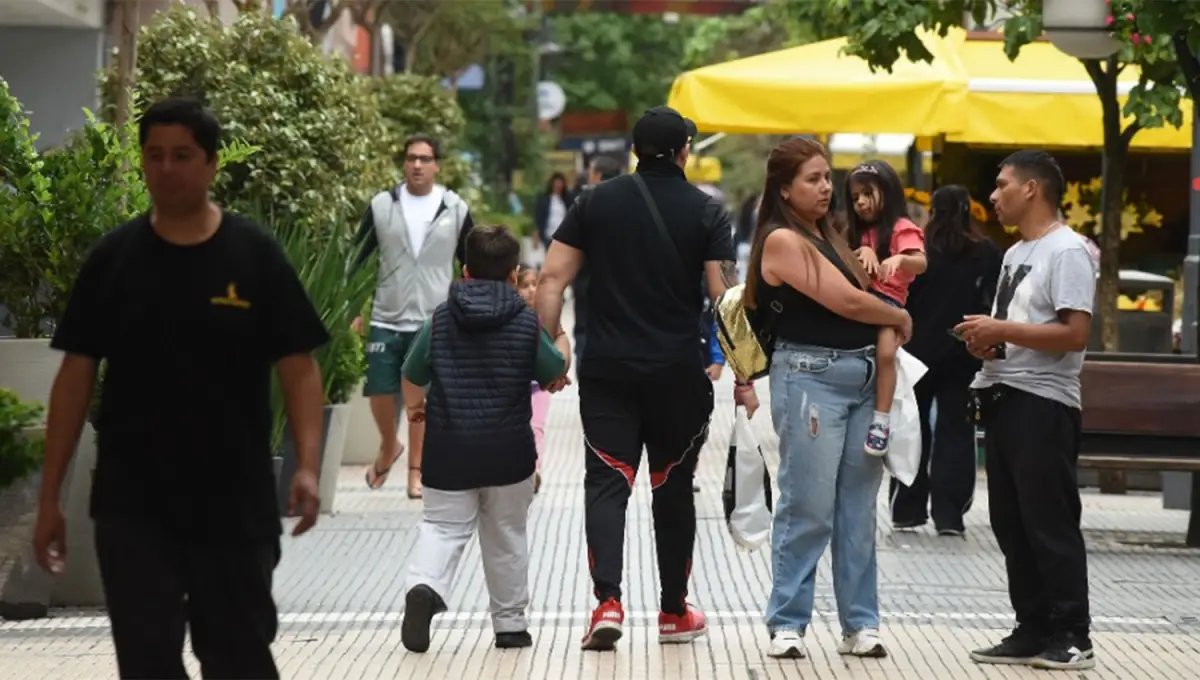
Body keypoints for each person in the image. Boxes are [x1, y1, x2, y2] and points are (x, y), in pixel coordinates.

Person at [31, 98, 329, 679]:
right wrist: (50, 499)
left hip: (234, 500)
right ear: (142, 162)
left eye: (183, 155)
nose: (167, 168)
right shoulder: (114, 260)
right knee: (146, 662)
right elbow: (74, 379)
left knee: (237, 654)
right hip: (132, 502)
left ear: (212, 164)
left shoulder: (253, 255)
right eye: (155, 155)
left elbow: (299, 366)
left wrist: (308, 465)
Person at [535, 105, 739, 651]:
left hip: (607, 369)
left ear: (633, 150)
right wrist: (743, 370)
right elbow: (725, 298)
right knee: (672, 490)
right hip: (677, 371)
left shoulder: (593, 203)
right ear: (683, 152)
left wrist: (549, 355)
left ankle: (608, 602)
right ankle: (673, 611)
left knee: (606, 482)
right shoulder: (706, 212)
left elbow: (552, 280)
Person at [747, 137, 912, 660]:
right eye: (812, 179)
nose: (825, 188)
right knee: (808, 505)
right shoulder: (780, 240)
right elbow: (844, 299)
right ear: (784, 188)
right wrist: (897, 316)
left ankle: (860, 623)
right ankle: (788, 620)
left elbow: (868, 290)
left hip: (864, 379)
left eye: (826, 177)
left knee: (857, 510)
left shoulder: (833, 236)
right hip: (809, 377)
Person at [398, 225, 569, 653]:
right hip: (508, 453)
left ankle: (425, 585)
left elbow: (411, 373)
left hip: (448, 450)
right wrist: (558, 358)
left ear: (464, 270)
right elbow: (552, 374)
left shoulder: (439, 319)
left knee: (441, 527)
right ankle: (510, 626)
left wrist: (416, 410)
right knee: (507, 534)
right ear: (514, 275)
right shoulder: (526, 322)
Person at [955, 151, 1096, 671]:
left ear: (1033, 188)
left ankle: (1073, 634)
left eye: (1002, 184)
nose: (993, 195)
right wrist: (986, 342)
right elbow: (1019, 327)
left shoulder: (1068, 251)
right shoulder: (1017, 252)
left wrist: (1003, 331)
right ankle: (1032, 627)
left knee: (1049, 522)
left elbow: (1074, 334)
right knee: (1011, 522)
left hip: (1044, 403)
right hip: (1003, 395)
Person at [353, 133, 476, 499]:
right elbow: (356, 259)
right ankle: (389, 445)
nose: (417, 165)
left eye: (424, 159)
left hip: (433, 318)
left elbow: (473, 265)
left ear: (438, 164)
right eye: (411, 158)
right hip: (386, 314)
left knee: (418, 400)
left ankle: (415, 471)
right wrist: (353, 310)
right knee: (378, 390)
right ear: (404, 163)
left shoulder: (454, 208)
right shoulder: (381, 205)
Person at [891, 185, 1002, 535]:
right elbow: (994, 301)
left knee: (912, 427)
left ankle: (907, 508)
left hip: (917, 352)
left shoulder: (920, 251)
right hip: (963, 352)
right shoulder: (985, 251)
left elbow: (902, 296)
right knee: (957, 430)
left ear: (933, 211)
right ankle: (950, 513)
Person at [845, 161, 927, 457]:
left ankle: (881, 421)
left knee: (886, 353)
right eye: (855, 198)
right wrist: (864, 251)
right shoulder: (862, 233)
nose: (861, 202)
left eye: (868, 193)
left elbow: (921, 261)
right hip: (863, 299)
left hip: (890, 303)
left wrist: (901, 260)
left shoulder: (903, 229)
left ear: (888, 193)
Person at [572, 156, 623, 372]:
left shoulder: (585, 202)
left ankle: (588, 380)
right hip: (621, 287)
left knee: (584, 333)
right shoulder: (631, 204)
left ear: (598, 175)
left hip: (587, 282)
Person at [518, 264, 553, 494]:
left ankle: (534, 470)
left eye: (535, 284)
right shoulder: (510, 316)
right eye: (525, 285)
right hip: (516, 383)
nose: (531, 290)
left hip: (539, 384)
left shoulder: (545, 317)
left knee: (536, 427)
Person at [535, 172, 574, 248]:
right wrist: (536, 234)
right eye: (557, 183)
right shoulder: (545, 200)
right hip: (549, 236)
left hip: (563, 237)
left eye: (560, 183)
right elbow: (539, 217)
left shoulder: (567, 200)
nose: (558, 185)